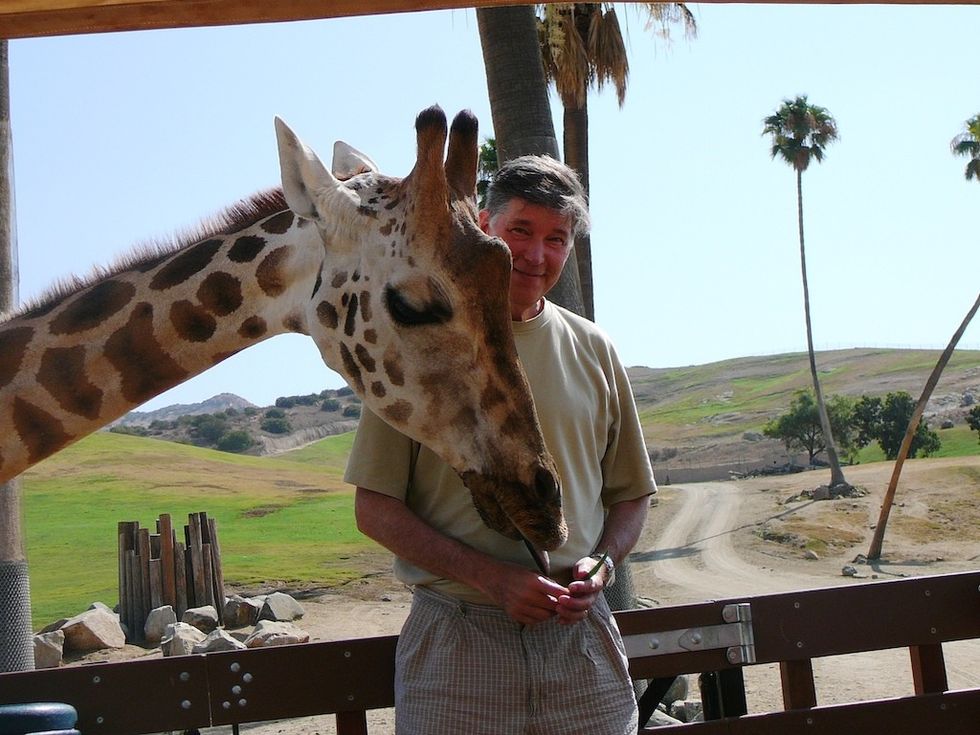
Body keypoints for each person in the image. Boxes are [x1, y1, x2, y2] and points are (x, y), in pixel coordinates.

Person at [345, 154, 657, 735]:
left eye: (556, 238)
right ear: (485, 226)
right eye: (521, 231)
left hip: (581, 645)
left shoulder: (595, 350)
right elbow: (374, 508)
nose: (537, 256)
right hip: (457, 647)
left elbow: (631, 496)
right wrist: (491, 578)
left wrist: (603, 563)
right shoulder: (416, 343)